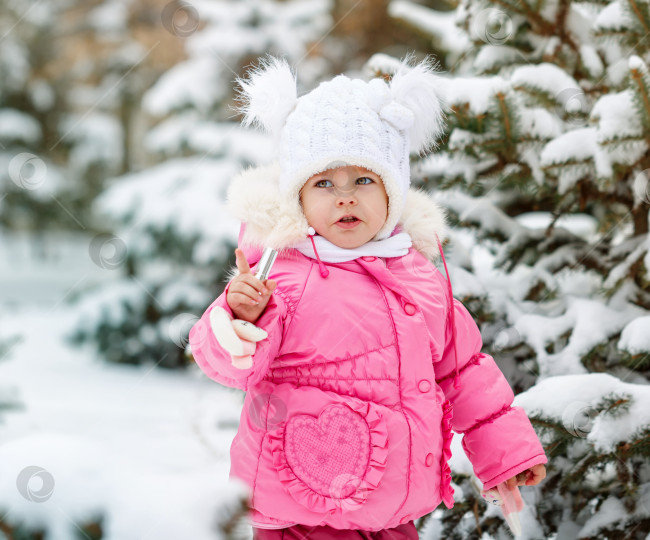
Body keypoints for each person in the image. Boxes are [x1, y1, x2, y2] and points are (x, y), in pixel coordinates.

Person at [187, 54, 547, 539]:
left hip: (395, 513)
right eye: (324, 183)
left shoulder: (418, 276)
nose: (345, 197)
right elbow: (229, 365)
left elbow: (463, 370)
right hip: (302, 507)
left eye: (363, 180)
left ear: (392, 193)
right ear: (298, 197)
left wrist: (505, 454)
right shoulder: (282, 276)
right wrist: (237, 315)